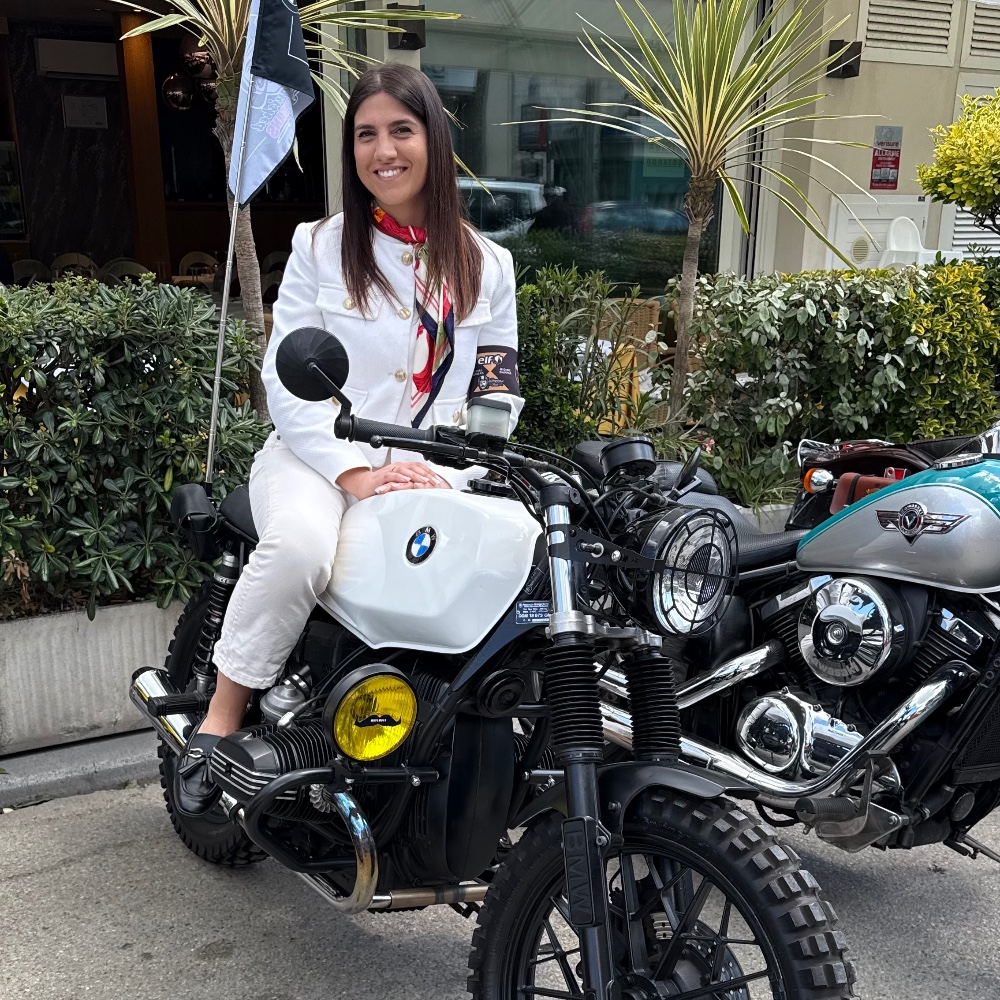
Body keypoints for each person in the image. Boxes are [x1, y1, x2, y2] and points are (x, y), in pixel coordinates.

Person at [175, 63, 523, 815]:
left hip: (430, 470)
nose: (383, 151)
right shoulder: (321, 245)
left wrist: (459, 466)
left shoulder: (487, 265)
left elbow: (495, 391)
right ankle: (221, 716)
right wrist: (353, 473)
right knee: (302, 548)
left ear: (434, 140)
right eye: (366, 135)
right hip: (316, 460)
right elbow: (287, 381)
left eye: (401, 130)